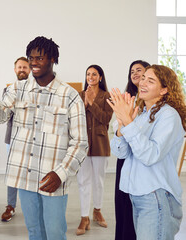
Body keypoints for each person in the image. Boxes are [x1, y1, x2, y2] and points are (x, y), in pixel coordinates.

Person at [0, 36, 88, 240]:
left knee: (55, 233)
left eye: (39, 58)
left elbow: (80, 142)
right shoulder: (16, 89)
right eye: (30, 58)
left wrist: (61, 173)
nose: (33, 62)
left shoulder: (70, 96)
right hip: (25, 177)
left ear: (52, 59)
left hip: (53, 178)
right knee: (34, 232)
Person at [109, 64, 186, 240]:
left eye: (150, 80)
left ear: (164, 90)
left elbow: (150, 155)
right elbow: (120, 152)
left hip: (156, 197)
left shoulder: (169, 115)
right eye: (143, 78)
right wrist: (122, 124)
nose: (142, 82)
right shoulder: (142, 114)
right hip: (137, 196)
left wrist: (128, 122)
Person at [76, 65, 113, 235]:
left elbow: (105, 119)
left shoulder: (107, 96)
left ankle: (97, 211)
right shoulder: (79, 95)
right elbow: (75, 119)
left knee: (98, 180)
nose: (90, 77)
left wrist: (91, 104)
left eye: (94, 74)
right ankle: (84, 217)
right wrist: (85, 103)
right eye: (88, 74)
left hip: (100, 143)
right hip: (83, 144)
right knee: (83, 181)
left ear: (100, 77)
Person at [114, 60, 149, 240]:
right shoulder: (126, 98)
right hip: (125, 156)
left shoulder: (152, 101)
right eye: (132, 71)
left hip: (143, 157)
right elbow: (117, 127)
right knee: (123, 207)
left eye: (140, 71)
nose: (135, 73)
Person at [1, 56, 31, 222]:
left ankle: (30, 208)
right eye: (19, 67)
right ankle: (10, 206)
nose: (22, 70)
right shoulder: (8, 91)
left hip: (31, 138)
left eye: (25, 67)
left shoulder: (36, 90)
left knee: (30, 173)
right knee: (13, 173)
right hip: (12, 137)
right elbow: (5, 114)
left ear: (30, 70)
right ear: (15, 70)